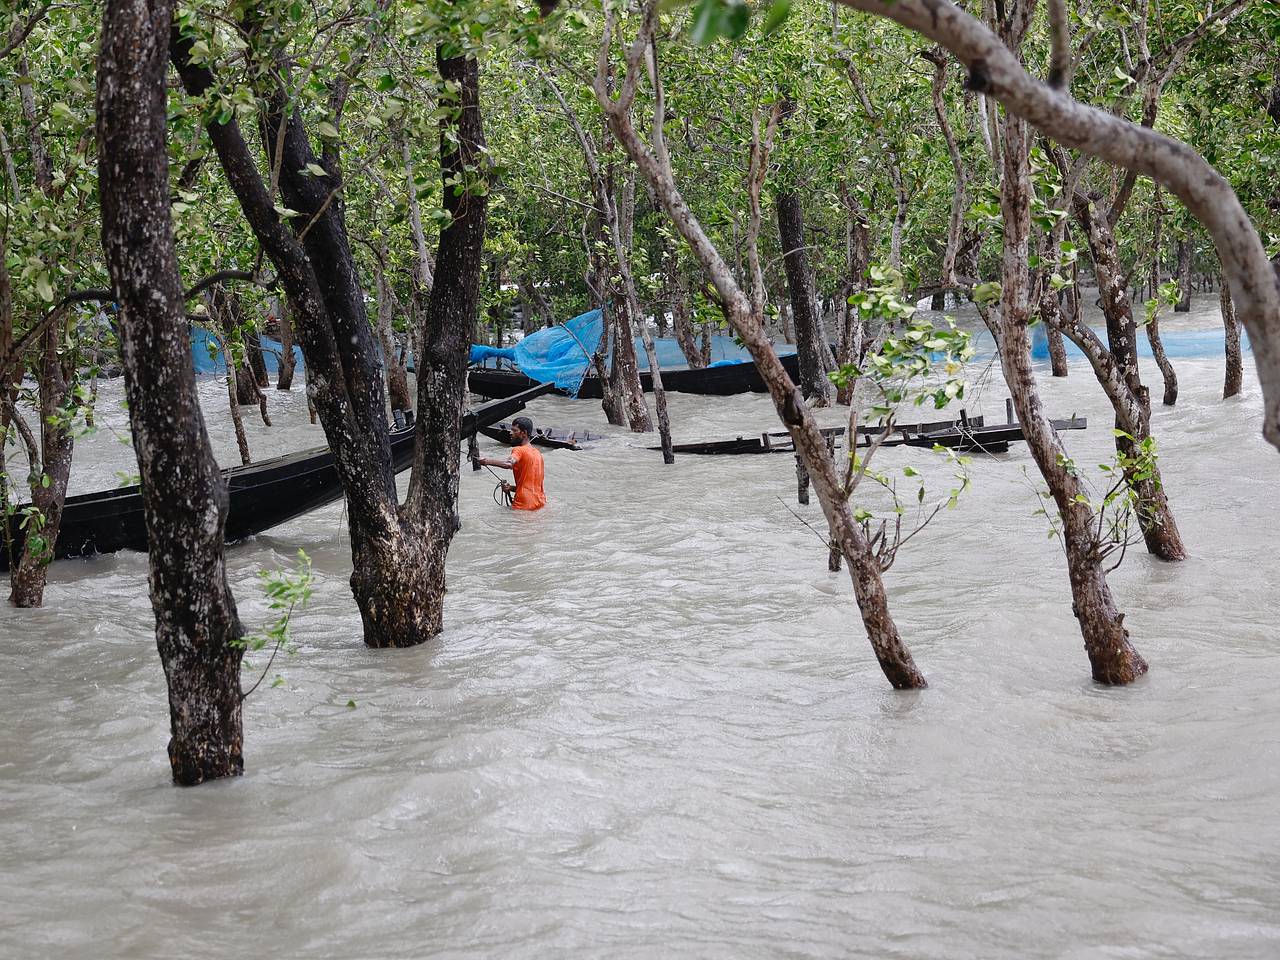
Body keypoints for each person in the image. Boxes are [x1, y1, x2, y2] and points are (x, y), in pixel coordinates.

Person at [474, 416, 546, 510]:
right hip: (540, 503)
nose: (510, 433)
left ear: (524, 433)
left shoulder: (519, 450)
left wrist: (486, 461)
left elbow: (508, 463)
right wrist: (511, 488)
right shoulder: (537, 453)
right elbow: (531, 487)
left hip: (523, 505)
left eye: (514, 430)